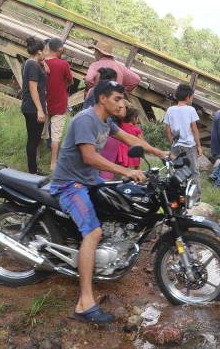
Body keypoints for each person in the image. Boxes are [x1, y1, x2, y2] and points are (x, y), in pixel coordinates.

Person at [50, 80, 167, 324]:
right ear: (102, 99)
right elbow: (89, 157)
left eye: (122, 99)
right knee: (93, 232)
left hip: (90, 181)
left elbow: (131, 139)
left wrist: (161, 153)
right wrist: (126, 171)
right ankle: (84, 302)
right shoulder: (85, 119)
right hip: (71, 184)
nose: (121, 103)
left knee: (120, 205)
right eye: (116, 98)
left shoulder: (107, 123)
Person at [164, 83, 202, 192]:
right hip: (189, 146)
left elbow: (167, 130)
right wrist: (199, 146)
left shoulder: (170, 110)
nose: (192, 99)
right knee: (194, 171)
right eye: (192, 97)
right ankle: (196, 196)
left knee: (177, 171)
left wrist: (172, 143)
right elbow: (194, 129)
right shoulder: (191, 110)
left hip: (176, 146)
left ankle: (179, 194)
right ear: (188, 97)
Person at [43, 38, 73, 172]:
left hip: (43, 105)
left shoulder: (41, 63)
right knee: (56, 135)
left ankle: (37, 155)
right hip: (60, 104)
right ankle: (53, 163)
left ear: (48, 48)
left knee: (40, 132)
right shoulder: (63, 64)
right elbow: (70, 81)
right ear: (60, 50)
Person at [21, 37, 48, 175]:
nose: (46, 53)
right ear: (39, 51)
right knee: (33, 140)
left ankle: (34, 169)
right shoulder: (32, 65)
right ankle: (32, 171)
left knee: (34, 139)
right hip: (33, 108)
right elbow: (33, 88)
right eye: (44, 51)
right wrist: (40, 110)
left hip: (31, 107)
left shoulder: (32, 63)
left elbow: (47, 73)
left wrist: (42, 61)